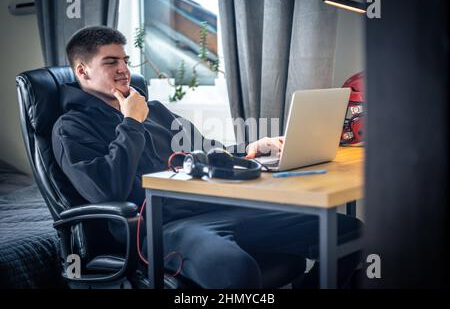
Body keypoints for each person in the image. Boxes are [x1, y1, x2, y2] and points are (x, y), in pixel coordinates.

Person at [52, 26, 362, 288]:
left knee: (349, 232)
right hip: (161, 228)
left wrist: (254, 147)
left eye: (125, 60)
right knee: (234, 270)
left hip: (220, 208)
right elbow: (107, 190)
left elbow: (208, 148)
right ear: (83, 70)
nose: (123, 69)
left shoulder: (154, 111)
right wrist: (131, 122)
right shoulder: (71, 127)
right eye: (110, 62)